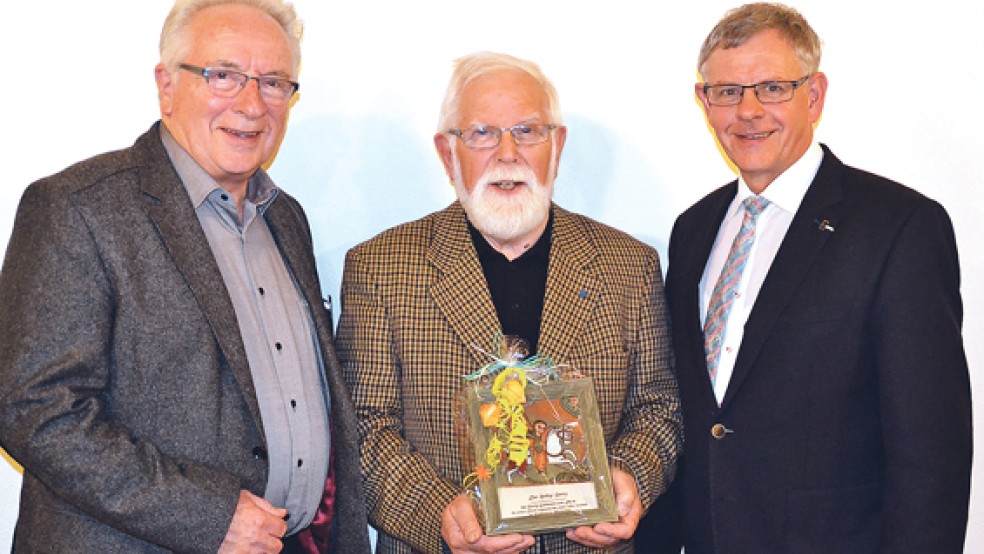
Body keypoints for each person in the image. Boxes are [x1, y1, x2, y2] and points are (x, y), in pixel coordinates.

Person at [0, 1, 371, 552]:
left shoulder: (286, 218)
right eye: (223, 75)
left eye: (273, 82)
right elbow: (34, 407)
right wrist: (207, 514)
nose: (251, 104)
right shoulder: (78, 208)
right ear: (166, 85)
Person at [639, 3, 972, 553]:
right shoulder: (693, 230)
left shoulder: (899, 227)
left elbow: (931, 453)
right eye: (727, 91)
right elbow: (698, 419)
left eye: (771, 87)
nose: (748, 111)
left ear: (813, 95)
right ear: (703, 102)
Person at [335, 51, 682, 554]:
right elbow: (363, 428)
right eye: (480, 133)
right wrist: (441, 515)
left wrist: (629, 479)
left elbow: (659, 408)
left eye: (527, 130)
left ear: (557, 146)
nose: (506, 152)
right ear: (445, 151)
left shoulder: (628, 266)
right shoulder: (381, 269)